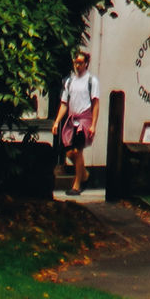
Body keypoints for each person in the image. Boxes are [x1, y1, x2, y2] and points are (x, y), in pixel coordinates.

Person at [54, 48, 101, 195]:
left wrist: (93, 124)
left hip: (84, 120)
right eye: (76, 62)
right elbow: (64, 104)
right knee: (69, 153)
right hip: (72, 120)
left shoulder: (91, 81)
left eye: (80, 62)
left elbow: (95, 104)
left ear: (86, 64)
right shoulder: (69, 82)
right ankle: (84, 174)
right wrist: (56, 122)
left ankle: (77, 185)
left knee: (78, 151)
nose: (77, 65)